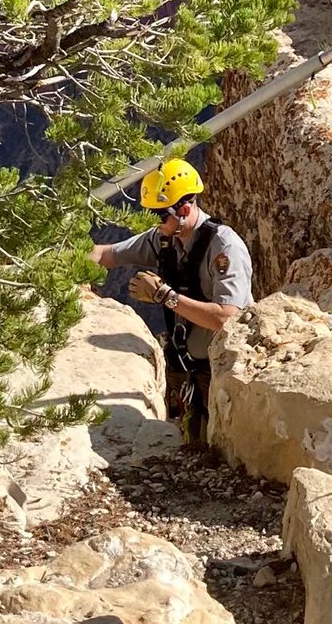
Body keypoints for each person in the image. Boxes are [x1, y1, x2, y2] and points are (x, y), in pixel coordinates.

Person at [89, 158, 254, 444]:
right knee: (188, 441)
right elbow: (106, 254)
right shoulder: (165, 238)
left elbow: (227, 318)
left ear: (184, 209)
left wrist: (165, 296)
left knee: (218, 446)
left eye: (160, 214)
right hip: (184, 364)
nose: (155, 222)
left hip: (222, 370)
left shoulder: (224, 248)